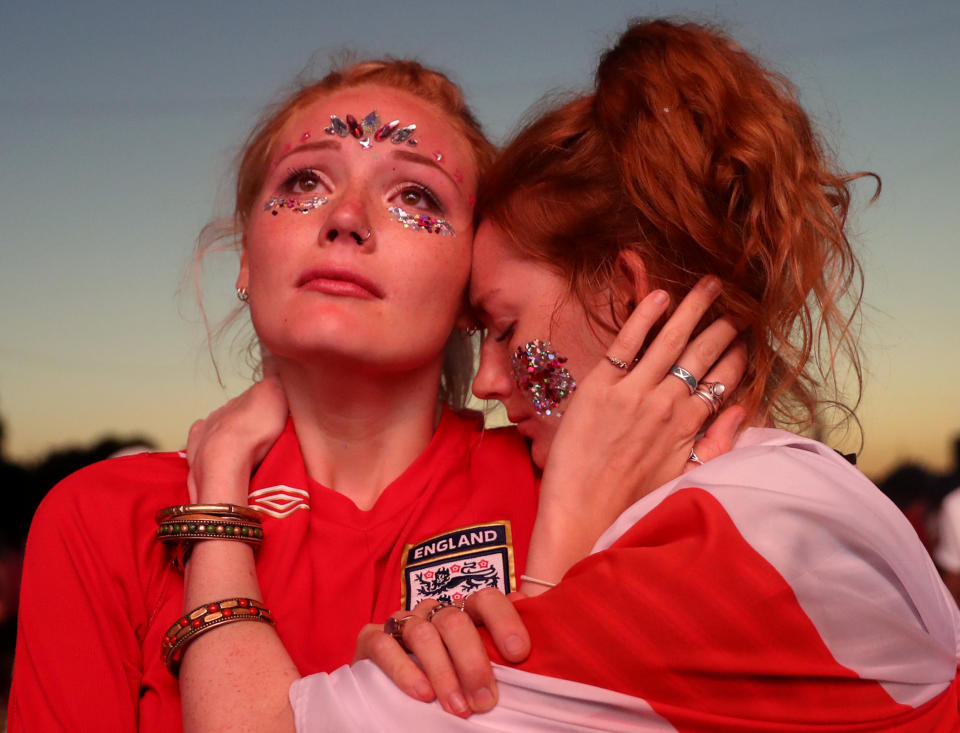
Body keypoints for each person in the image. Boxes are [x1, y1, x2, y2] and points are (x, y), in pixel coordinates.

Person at [180, 19, 960, 732]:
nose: (486, 381)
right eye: (304, 183)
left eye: (507, 327)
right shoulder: (781, 494)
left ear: (626, 296)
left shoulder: (718, 549)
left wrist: (217, 499)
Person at [8, 56, 732, 730]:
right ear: (243, 259)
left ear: (469, 281)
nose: (346, 219)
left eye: (414, 193)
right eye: (304, 183)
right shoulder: (104, 516)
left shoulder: (580, 470)